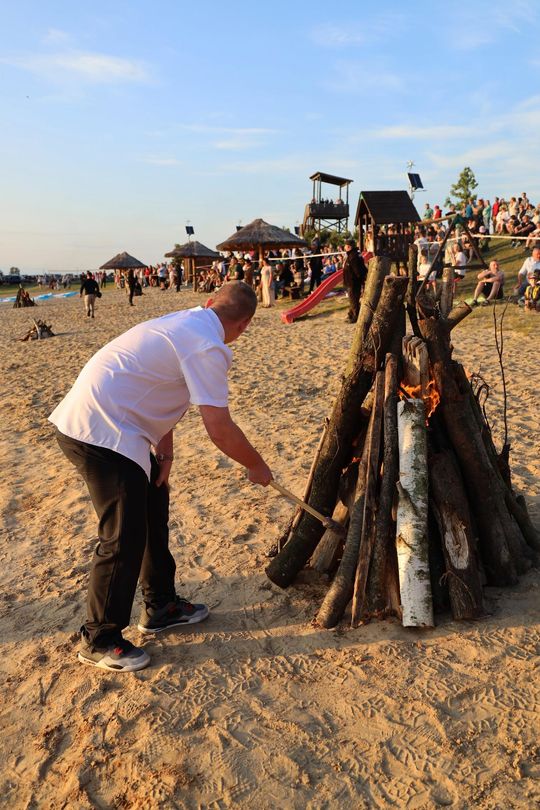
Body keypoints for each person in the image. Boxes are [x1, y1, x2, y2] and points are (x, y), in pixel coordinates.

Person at [49, 282, 272, 673]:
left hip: (118, 424)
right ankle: (99, 637)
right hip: (99, 430)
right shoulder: (207, 345)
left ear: (210, 303)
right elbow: (219, 428)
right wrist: (256, 464)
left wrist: (162, 451)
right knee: (122, 535)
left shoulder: (188, 322)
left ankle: (161, 606)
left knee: (154, 505)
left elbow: (163, 387)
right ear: (245, 324)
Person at [342, 238, 367, 323]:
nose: (344, 247)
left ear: (349, 246)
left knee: (354, 300)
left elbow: (357, 270)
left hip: (353, 282)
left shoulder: (353, 256)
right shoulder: (352, 255)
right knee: (352, 299)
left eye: (345, 245)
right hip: (350, 281)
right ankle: (351, 314)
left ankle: (355, 317)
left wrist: (360, 279)